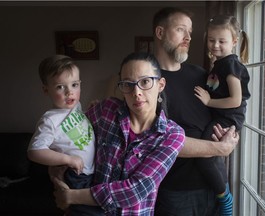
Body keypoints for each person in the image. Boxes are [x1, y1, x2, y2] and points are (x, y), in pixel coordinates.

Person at [50, 52, 186, 215]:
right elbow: (66, 136)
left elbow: (136, 189)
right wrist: (56, 172)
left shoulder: (172, 135)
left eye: (145, 82)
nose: (136, 92)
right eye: (128, 84)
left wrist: (72, 196)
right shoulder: (106, 110)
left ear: (160, 84)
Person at [152, 7, 239, 216]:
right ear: (160, 33)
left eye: (190, 32)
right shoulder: (148, 81)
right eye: (181, 30)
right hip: (176, 191)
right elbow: (157, 140)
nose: (189, 37)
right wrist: (219, 148)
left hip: (215, 183)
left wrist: (230, 135)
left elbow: (229, 111)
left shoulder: (201, 74)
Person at [27, 55, 101, 216]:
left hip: (92, 170)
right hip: (76, 175)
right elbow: (34, 151)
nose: (69, 92)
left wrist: (88, 112)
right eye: (60, 87)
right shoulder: (50, 120)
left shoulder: (76, 107)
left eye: (74, 85)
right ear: (46, 90)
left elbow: (74, 128)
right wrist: (68, 159)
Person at [194, 15, 250, 215]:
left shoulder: (230, 64)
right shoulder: (219, 63)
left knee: (205, 156)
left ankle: (224, 197)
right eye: (211, 40)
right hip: (221, 116)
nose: (215, 45)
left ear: (234, 42)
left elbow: (235, 99)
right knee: (211, 156)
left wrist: (209, 102)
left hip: (229, 118)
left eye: (222, 41)